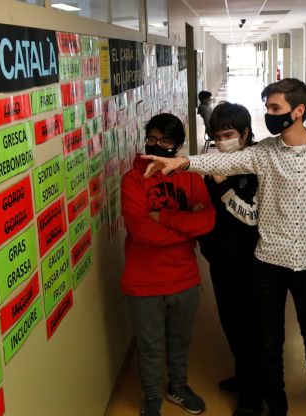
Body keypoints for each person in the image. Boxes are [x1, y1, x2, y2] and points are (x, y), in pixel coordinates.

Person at [142, 78, 306, 416]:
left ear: (298, 111)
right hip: (268, 259)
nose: (268, 114)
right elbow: (220, 164)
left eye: (275, 108)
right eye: (267, 107)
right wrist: (181, 163)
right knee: (268, 340)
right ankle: (275, 401)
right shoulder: (263, 152)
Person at [120, 113, 215, 416]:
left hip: (185, 278)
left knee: (180, 340)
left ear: (177, 145)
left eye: (166, 140)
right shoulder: (133, 179)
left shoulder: (190, 177)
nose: (157, 145)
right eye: (152, 138)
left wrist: (165, 218)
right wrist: (186, 226)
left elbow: (208, 220)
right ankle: (151, 398)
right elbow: (140, 230)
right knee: (149, 345)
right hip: (142, 281)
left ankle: (178, 386)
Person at [198, 102, 262, 416]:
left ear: (245, 133)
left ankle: (252, 400)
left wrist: (223, 183)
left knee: (248, 327)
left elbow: (252, 216)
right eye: (217, 135)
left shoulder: (258, 163)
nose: (222, 140)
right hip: (220, 258)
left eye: (229, 134)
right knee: (231, 324)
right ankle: (245, 376)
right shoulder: (214, 163)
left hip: (251, 260)